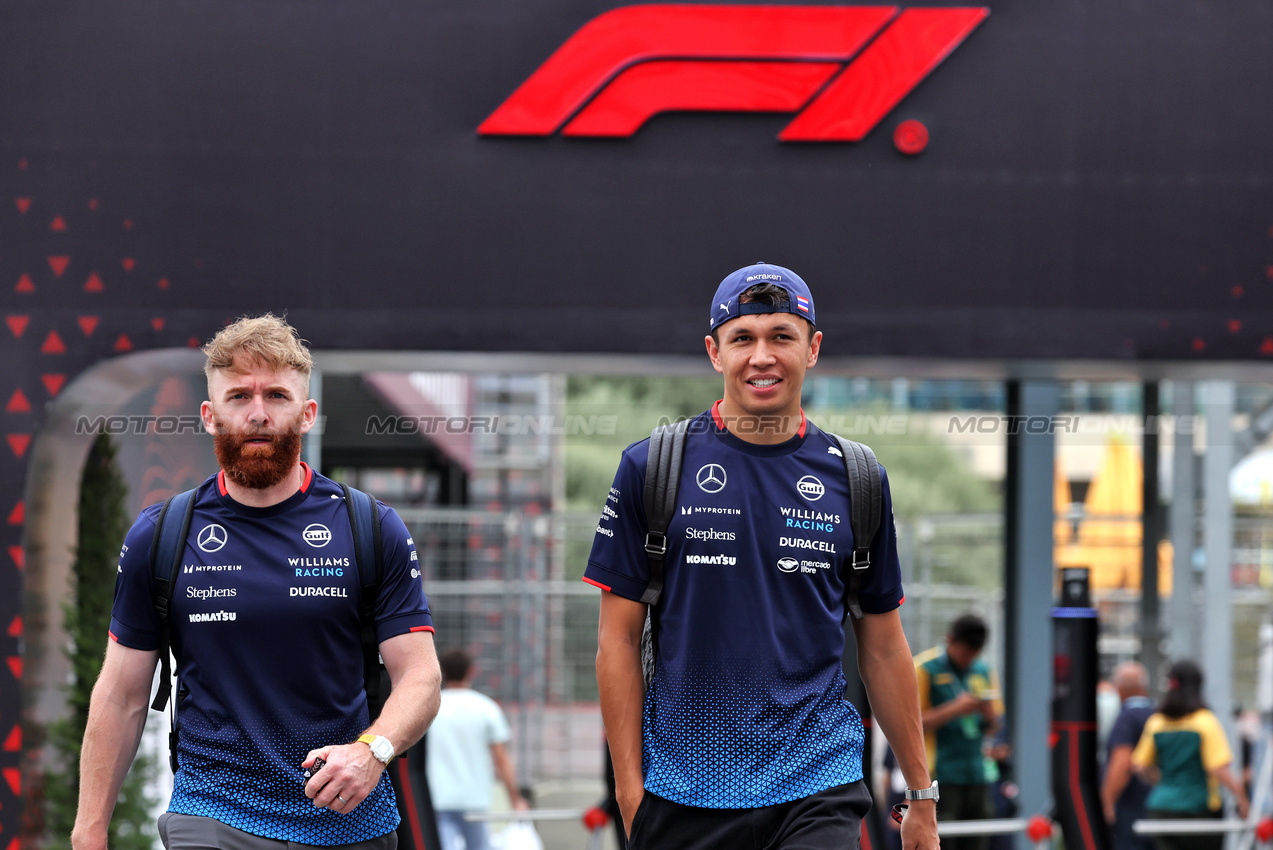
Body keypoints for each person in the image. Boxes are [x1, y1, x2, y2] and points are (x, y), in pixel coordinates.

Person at [586, 263, 939, 850]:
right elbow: (616, 642)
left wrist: (921, 793)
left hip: (817, 783)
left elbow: (883, 644)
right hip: (683, 788)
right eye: (742, 338)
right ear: (714, 352)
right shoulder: (652, 468)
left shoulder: (859, 479)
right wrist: (629, 792)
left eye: (782, 336)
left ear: (813, 347)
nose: (762, 356)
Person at [71, 314, 443, 850]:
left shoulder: (370, 526)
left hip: (348, 816)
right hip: (212, 811)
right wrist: (89, 832)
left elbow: (422, 679)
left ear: (308, 412)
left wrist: (372, 751)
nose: (259, 414)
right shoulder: (163, 535)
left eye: (277, 395)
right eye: (239, 396)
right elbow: (121, 693)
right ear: (209, 414)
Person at [1132, 660, 1249, 850]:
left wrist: (1163, 782)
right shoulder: (1205, 721)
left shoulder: (1156, 722)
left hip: (1162, 808)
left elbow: (1139, 765)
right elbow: (1218, 768)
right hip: (1199, 810)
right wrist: (1242, 799)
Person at [914, 613, 1004, 850]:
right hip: (939, 773)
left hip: (977, 772)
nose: (968, 661)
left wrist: (987, 713)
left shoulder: (983, 670)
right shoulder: (924, 668)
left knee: (978, 839)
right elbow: (912, 723)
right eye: (965, 653)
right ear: (950, 640)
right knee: (943, 839)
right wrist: (955, 709)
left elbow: (995, 726)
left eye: (974, 655)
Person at [426, 648, 529, 850]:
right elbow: (502, 760)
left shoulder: (431, 708)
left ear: (442, 672)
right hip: (476, 801)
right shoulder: (487, 709)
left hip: (438, 798)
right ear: (472, 671)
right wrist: (515, 798)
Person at [1100, 662, 1156, 850]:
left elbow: (1122, 763)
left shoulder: (1127, 718)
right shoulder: (1158, 714)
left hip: (1132, 808)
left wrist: (1107, 802)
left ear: (1120, 688)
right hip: (1159, 805)